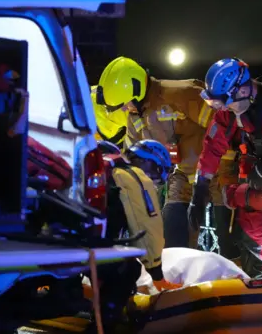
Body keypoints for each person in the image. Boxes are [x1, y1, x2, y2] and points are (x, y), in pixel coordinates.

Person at [96, 57, 237, 257]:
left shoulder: (180, 94)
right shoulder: (136, 115)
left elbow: (224, 125)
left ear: (135, 91)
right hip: (181, 177)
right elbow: (132, 158)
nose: (123, 109)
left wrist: (224, 169)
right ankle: (183, 285)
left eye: (124, 104)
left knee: (229, 238)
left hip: (219, 170)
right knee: (174, 239)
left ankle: (239, 281)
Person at [188, 57, 262, 278]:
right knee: (250, 229)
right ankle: (258, 282)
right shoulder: (229, 112)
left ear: (242, 90)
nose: (221, 108)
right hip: (258, 175)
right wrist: (200, 187)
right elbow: (211, 147)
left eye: (224, 101)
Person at [98, 139, 172, 291]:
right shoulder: (132, 176)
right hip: (93, 248)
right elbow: (147, 226)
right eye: (155, 176)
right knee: (129, 269)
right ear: (147, 161)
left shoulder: (101, 165)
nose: (151, 181)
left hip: (58, 240)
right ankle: (112, 313)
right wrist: (156, 273)